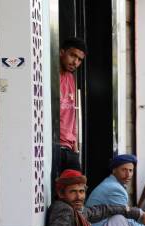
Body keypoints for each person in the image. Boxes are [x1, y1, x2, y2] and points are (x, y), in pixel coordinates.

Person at [59, 37, 87, 173]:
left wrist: (75, 146)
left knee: (77, 187)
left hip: (70, 146)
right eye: (72, 55)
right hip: (55, 145)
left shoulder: (70, 78)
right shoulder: (52, 76)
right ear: (61, 52)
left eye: (80, 59)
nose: (75, 62)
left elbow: (72, 114)